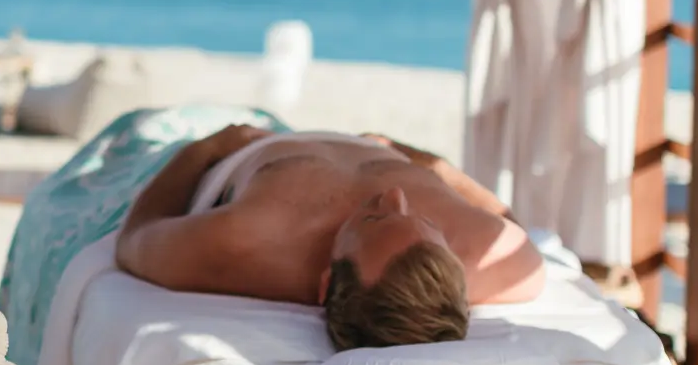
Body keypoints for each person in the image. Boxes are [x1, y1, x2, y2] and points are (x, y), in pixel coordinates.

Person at [113, 125, 546, 349]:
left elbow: (136, 237)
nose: (394, 195)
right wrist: (434, 166)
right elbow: (509, 223)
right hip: (379, 145)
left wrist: (205, 149)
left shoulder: (243, 240)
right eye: (424, 221)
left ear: (326, 283)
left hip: (245, 143)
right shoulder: (495, 257)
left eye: (372, 220)